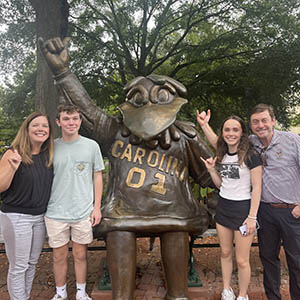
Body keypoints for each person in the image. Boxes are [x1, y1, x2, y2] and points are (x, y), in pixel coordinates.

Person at [198, 104, 300, 300]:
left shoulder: (291, 141)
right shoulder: (251, 144)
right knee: (268, 258)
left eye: (264, 120)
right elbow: (219, 141)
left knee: (295, 260)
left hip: (290, 211)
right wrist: (204, 126)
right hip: (263, 211)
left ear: (273, 120)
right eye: (255, 122)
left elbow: (256, 185)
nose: (260, 125)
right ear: (251, 127)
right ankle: (272, 297)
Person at [198, 113, 262, 300]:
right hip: (224, 208)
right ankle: (227, 290)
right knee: (225, 252)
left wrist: (252, 217)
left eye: (235, 129)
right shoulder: (223, 154)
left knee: (242, 260)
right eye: (227, 129)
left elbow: (257, 188)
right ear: (223, 132)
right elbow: (220, 185)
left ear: (242, 133)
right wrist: (211, 170)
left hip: (243, 211)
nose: (231, 133)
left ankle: (242, 295)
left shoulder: (251, 156)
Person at [45, 104, 104, 300]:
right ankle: (60, 293)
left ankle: (81, 292)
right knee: (58, 256)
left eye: (75, 119)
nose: (71, 122)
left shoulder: (91, 146)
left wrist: (97, 207)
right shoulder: (51, 146)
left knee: (80, 255)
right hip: (55, 212)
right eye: (66, 119)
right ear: (58, 121)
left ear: (80, 121)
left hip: (83, 211)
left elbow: (97, 177)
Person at [0, 112, 54, 300]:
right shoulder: (13, 152)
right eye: (36, 125)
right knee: (19, 266)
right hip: (16, 217)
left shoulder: (48, 155)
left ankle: (25, 296)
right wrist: (13, 168)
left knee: (32, 263)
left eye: (45, 126)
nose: (41, 129)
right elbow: (0, 186)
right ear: (27, 129)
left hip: (39, 217)